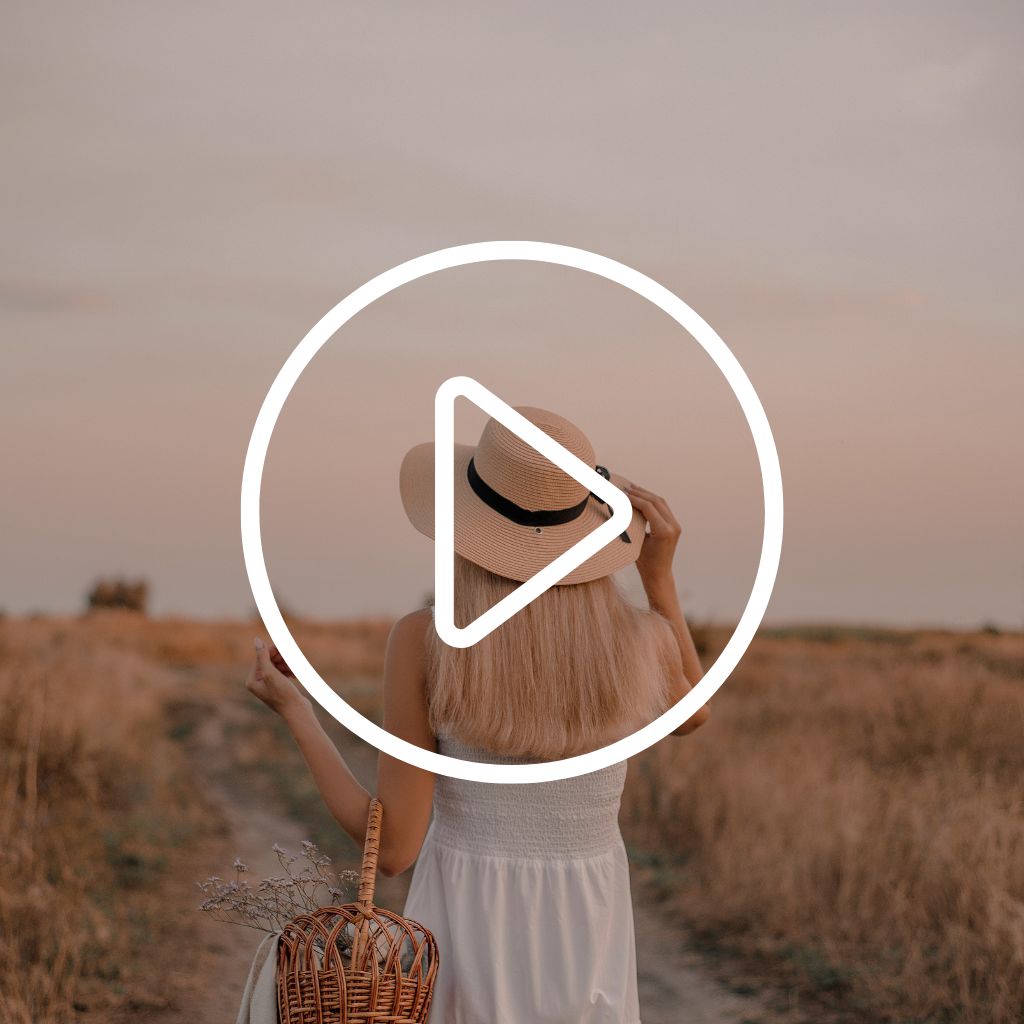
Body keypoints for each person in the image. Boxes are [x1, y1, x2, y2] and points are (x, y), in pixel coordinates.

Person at [245, 406, 709, 1023]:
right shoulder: (642, 642)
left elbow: (393, 848)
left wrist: (296, 712)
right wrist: (658, 578)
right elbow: (692, 715)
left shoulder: (426, 641)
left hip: (466, 926)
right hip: (588, 931)